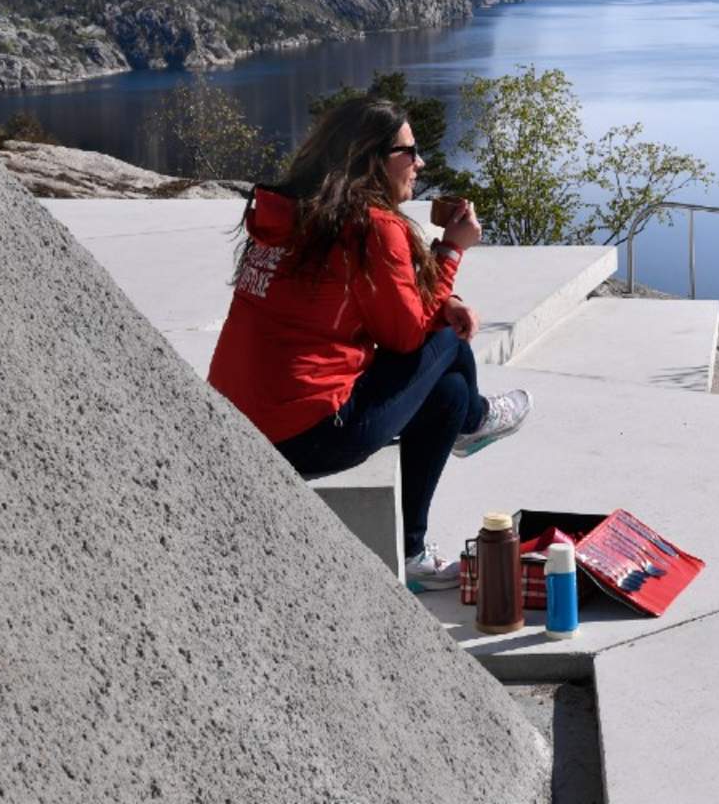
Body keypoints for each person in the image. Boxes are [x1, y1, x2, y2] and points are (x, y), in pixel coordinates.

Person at [207, 96, 531, 591]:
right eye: (409, 152)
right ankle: (476, 422)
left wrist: (444, 300)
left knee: (447, 393)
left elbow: (383, 312)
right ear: (372, 159)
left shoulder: (293, 214)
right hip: (310, 430)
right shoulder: (371, 228)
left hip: (243, 420)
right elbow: (404, 337)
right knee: (450, 344)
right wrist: (450, 250)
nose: (419, 163)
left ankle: (416, 547)